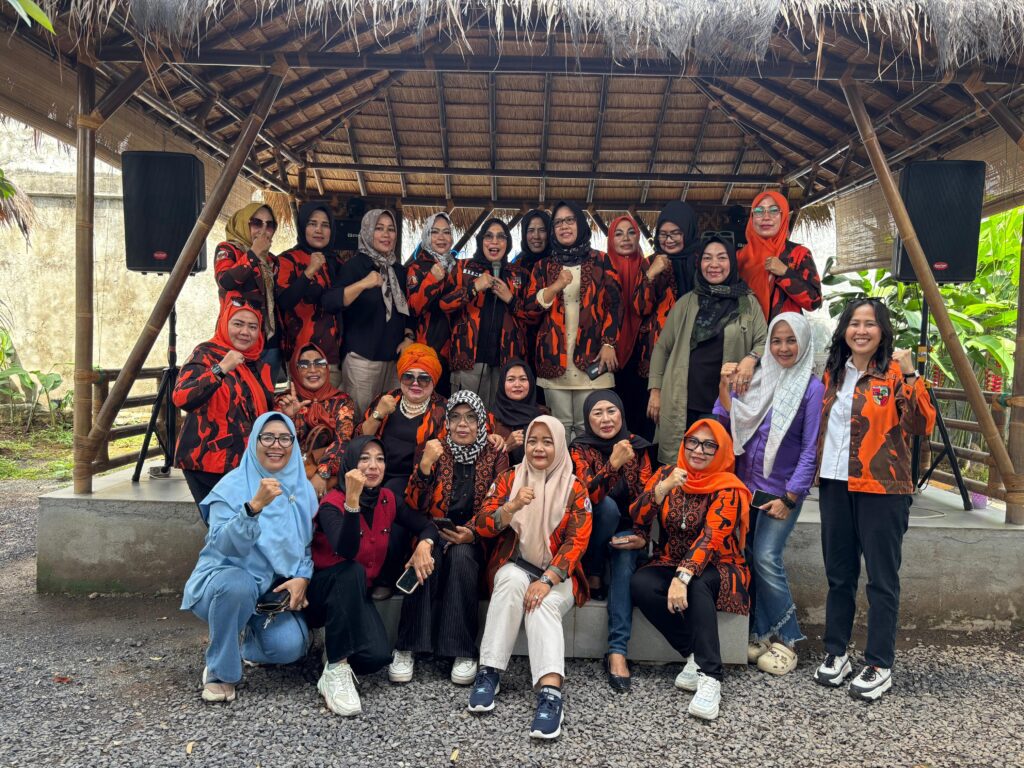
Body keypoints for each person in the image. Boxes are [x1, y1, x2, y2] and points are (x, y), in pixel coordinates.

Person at [813, 299, 935, 701]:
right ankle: (836, 652)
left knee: (882, 580)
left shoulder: (896, 373)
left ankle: (879, 663)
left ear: (882, 331)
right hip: (834, 483)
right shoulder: (834, 372)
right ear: (844, 330)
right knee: (839, 575)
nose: (861, 330)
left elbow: (922, 424)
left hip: (883, 488)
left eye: (870, 324)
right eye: (854, 323)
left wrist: (912, 374)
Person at [713, 312, 824, 676]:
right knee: (747, 556)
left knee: (765, 557)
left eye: (791, 341)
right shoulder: (756, 378)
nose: (783, 348)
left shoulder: (811, 388)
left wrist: (791, 497)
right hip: (745, 487)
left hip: (782, 491)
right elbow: (723, 420)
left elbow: (810, 449)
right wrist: (724, 386)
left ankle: (789, 640)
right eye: (776, 341)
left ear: (804, 343)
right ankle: (760, 633)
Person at [469, 415, 592, 740]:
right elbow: (481, 524)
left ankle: (550, 694)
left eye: (547, 441)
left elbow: (577, 541)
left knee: (543, 605)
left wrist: (547, 579)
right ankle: (489, 672)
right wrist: (510, 508)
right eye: (533, 441)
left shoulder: (574, 487)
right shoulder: (511, 478)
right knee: (509, 581)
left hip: (558, 575)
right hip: (517, 564)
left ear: (559, 445)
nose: (539, 448)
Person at [181, 412, 316, 703]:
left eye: (285, 438)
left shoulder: (302, 489)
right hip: (223, 585)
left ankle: (245, 644)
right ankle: (220, 672)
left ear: (294, 444)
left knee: (291, 647)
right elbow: (224, 545)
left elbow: (307, 545)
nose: (276, 445)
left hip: (267, 593)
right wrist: (253, 508)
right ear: (254, 442)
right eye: (267, 437)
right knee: (237, 585)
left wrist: (303, 576)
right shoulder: (232, 486)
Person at [307, 436, 439, 716]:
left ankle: (333, 645)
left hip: (356, 595)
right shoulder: (332, 503)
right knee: (350, 568)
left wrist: (424, 545)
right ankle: (335, 670)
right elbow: (346, 550)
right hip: (322, 594)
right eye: (364, 458)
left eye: (379, 459)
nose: (373, 466)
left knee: (375, 658)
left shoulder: (386, 499)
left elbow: (426, 526)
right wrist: (352, 502)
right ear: (349, 465)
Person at [630, 419, 751, 721]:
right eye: (693, 442)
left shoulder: (728, 487)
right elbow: (638, 516)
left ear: (721, 451)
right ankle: (693, 654)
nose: (698, 450)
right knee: (641, 583)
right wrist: (663, 488)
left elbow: (711, 538)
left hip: (720, 565)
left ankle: (711, 677)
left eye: (709, 445)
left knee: (697, 585)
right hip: (671, 559)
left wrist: (682, 577)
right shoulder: (667, 474)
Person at [390, 390, 510, 685]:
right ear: (447, 421)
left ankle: (462, 650)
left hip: (476, 537)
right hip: (432, 531)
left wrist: (472, 533)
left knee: (461, 556)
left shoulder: (495, 453)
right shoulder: (432, 448)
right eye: (455, 417)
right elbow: (414, 505)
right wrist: (425, 466)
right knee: (425, 556)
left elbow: (499, 503)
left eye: (470, 417)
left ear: (481, 422)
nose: (462, 424)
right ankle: (407, 646)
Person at [647, 236, 767, 466]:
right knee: (678, 465)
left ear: (732, 262)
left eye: (721, 258)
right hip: (683, 401)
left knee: (716, 462)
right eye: (707, 258)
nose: (714, 264)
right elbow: (662, 348)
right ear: (699, 263)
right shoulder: (687, 302)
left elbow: (764, 341)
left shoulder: (747, 303)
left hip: (724, 402)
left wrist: (751, 359)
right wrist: (655, 390)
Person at [569, 390, 652, 691]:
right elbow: (584, 498)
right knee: (605, 508)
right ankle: (593, 570)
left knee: (625, 555)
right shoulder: (579, 448)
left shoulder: (638, 447)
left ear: (622, 414)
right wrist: (613, 465)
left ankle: (617, 651)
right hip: (590, 531)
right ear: (587, 419)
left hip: (627, 531)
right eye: (597, 413)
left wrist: (641, 537)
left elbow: (647, 499)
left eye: (611, 411)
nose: (605, 419)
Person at [525, 200, 621, 440]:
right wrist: (556, 285)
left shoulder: (601, 261)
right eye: (558, 222)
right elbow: (530, 309)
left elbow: (615, 305)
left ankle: (586, 467)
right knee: (558, 429)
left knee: (590, 427)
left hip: (593, 358)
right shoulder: (543, 266)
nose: (564, 226)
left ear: (580, 224)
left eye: (570, 220)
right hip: (554, 360)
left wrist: (609, 343)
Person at [360, 343, 448, 598]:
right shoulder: (387, 400)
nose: (415, 383)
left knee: (390, 498)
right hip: (376, 472)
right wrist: (378, 414)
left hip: (417, 480)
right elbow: (360, 440)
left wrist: (498, 439)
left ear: (434, 380)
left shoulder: (443, 409)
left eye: (424, 378)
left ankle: (385, 577)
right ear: (400, 377)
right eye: (409, 376)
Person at [174, 298, 273, 510]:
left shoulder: (255, 363)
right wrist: (221, 368)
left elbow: (255, 409)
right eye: (238, 324)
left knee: (244, 522)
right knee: (222, 524)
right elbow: (181, 397)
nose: (245, 332)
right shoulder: (205, 353)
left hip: (244, 461)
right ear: (224, 324)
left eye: (252, 327)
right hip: (208, 462)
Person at [329, 209, 413, 414]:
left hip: (393, 361)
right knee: (360, 417)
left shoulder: (399, 271)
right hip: (362, 360)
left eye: (391, 229)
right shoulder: (354, 267)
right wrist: (363, 284)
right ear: (367, 232)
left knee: (388, 418)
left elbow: (410, 312)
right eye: (379, 228)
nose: (386, 234)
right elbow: (332, 302)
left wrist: (409, 337)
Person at [441, 217, 528, 409]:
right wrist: (474, 287)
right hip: (468, 362)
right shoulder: (462, 268)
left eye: (501, 237)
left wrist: (510, 298)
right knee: (467, 416)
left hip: (506, 364)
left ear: (508, 242)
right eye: (489, 236)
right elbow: (444, 304)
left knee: (501, 420)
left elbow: (532, 316)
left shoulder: (519, 274)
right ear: (481, 240)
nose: (494, 242)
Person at [276, 343, 357, 500]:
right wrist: (290, 416)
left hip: (328, 476)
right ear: (294, 370)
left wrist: (322, 473)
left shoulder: (341, 401)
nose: (313, 369)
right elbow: (278, 443)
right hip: (290, 474)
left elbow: (343, 441)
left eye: (319, 363)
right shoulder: (285, 401)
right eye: (304, 364)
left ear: (327, 368)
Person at [213, 203, 283, 380]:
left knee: (265, 394)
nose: (264, 230)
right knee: (236, 392)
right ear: (244, 223)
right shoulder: (228, 250)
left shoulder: (272, 260)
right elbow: (225, 282)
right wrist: (254, 253)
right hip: (238, 339)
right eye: (257, 223)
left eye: (270, 225)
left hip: (269, 341)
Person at [276, 202, 342, 385]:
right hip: (303, 357)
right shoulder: (288, 260)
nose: (319, 230)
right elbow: (284, 302)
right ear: (303, 226)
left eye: (325, 225)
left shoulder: (336, 262)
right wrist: (309, 271)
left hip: (335, 357)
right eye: (312, 224)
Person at [736, 191, 823, 322]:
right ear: (752, 217)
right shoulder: (739, 257)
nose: (766, 217)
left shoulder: (798, 254)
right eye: (759, 211)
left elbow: (814, 302)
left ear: (783, 216)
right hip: (746, 331)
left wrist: (785, 272)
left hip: (783, 332)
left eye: (774, 210)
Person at [406, 213, 457, 396]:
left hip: (455, 353)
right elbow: (413, 308)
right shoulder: (417, 267)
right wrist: (432, 280)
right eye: (435, 232)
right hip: (427, 351)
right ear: (427, 236)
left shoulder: (456, 267)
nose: (441, 237)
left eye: (446, 232)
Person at [491, 359, 545, 465]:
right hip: (503, 475)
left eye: (523, 379)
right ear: (502, 384)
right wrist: (507, 446)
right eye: (511, 379)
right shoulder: (491, 419)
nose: (517, 384)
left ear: (531, 382)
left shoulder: (543, 416)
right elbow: (482, 463)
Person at [654, 201, 701, 297]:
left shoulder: (704, 261)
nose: (668, 240)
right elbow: (638, 305)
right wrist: (649, 276)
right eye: (663, 234)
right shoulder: (649, 263)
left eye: (675, 233)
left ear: (688, 232)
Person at [512, 209, 552, 274]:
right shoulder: (515, 267)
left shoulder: (560, 265)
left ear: (549, 233)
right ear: (524, 234)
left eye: (542, 230)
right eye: (531, 230)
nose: (536, 236)